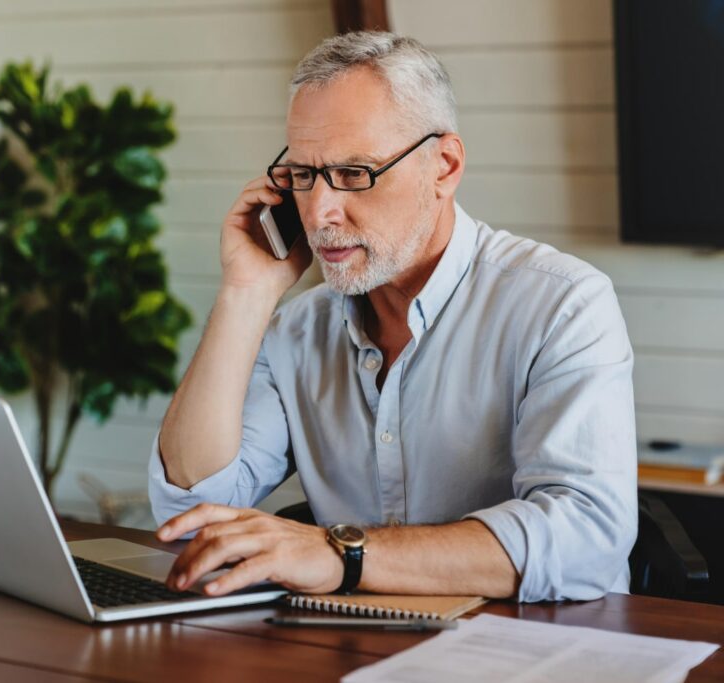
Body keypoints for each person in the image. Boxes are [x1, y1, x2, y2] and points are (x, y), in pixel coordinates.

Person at [148, 31, 637, 602]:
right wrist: (245, 292)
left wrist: (341, 556)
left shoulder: (562, 304)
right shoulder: (294, 331)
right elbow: (189, 506)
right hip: (352, 646)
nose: (321, 211)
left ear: (445, 166)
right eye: (303, 175)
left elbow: (585, 538)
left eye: (356, 173)